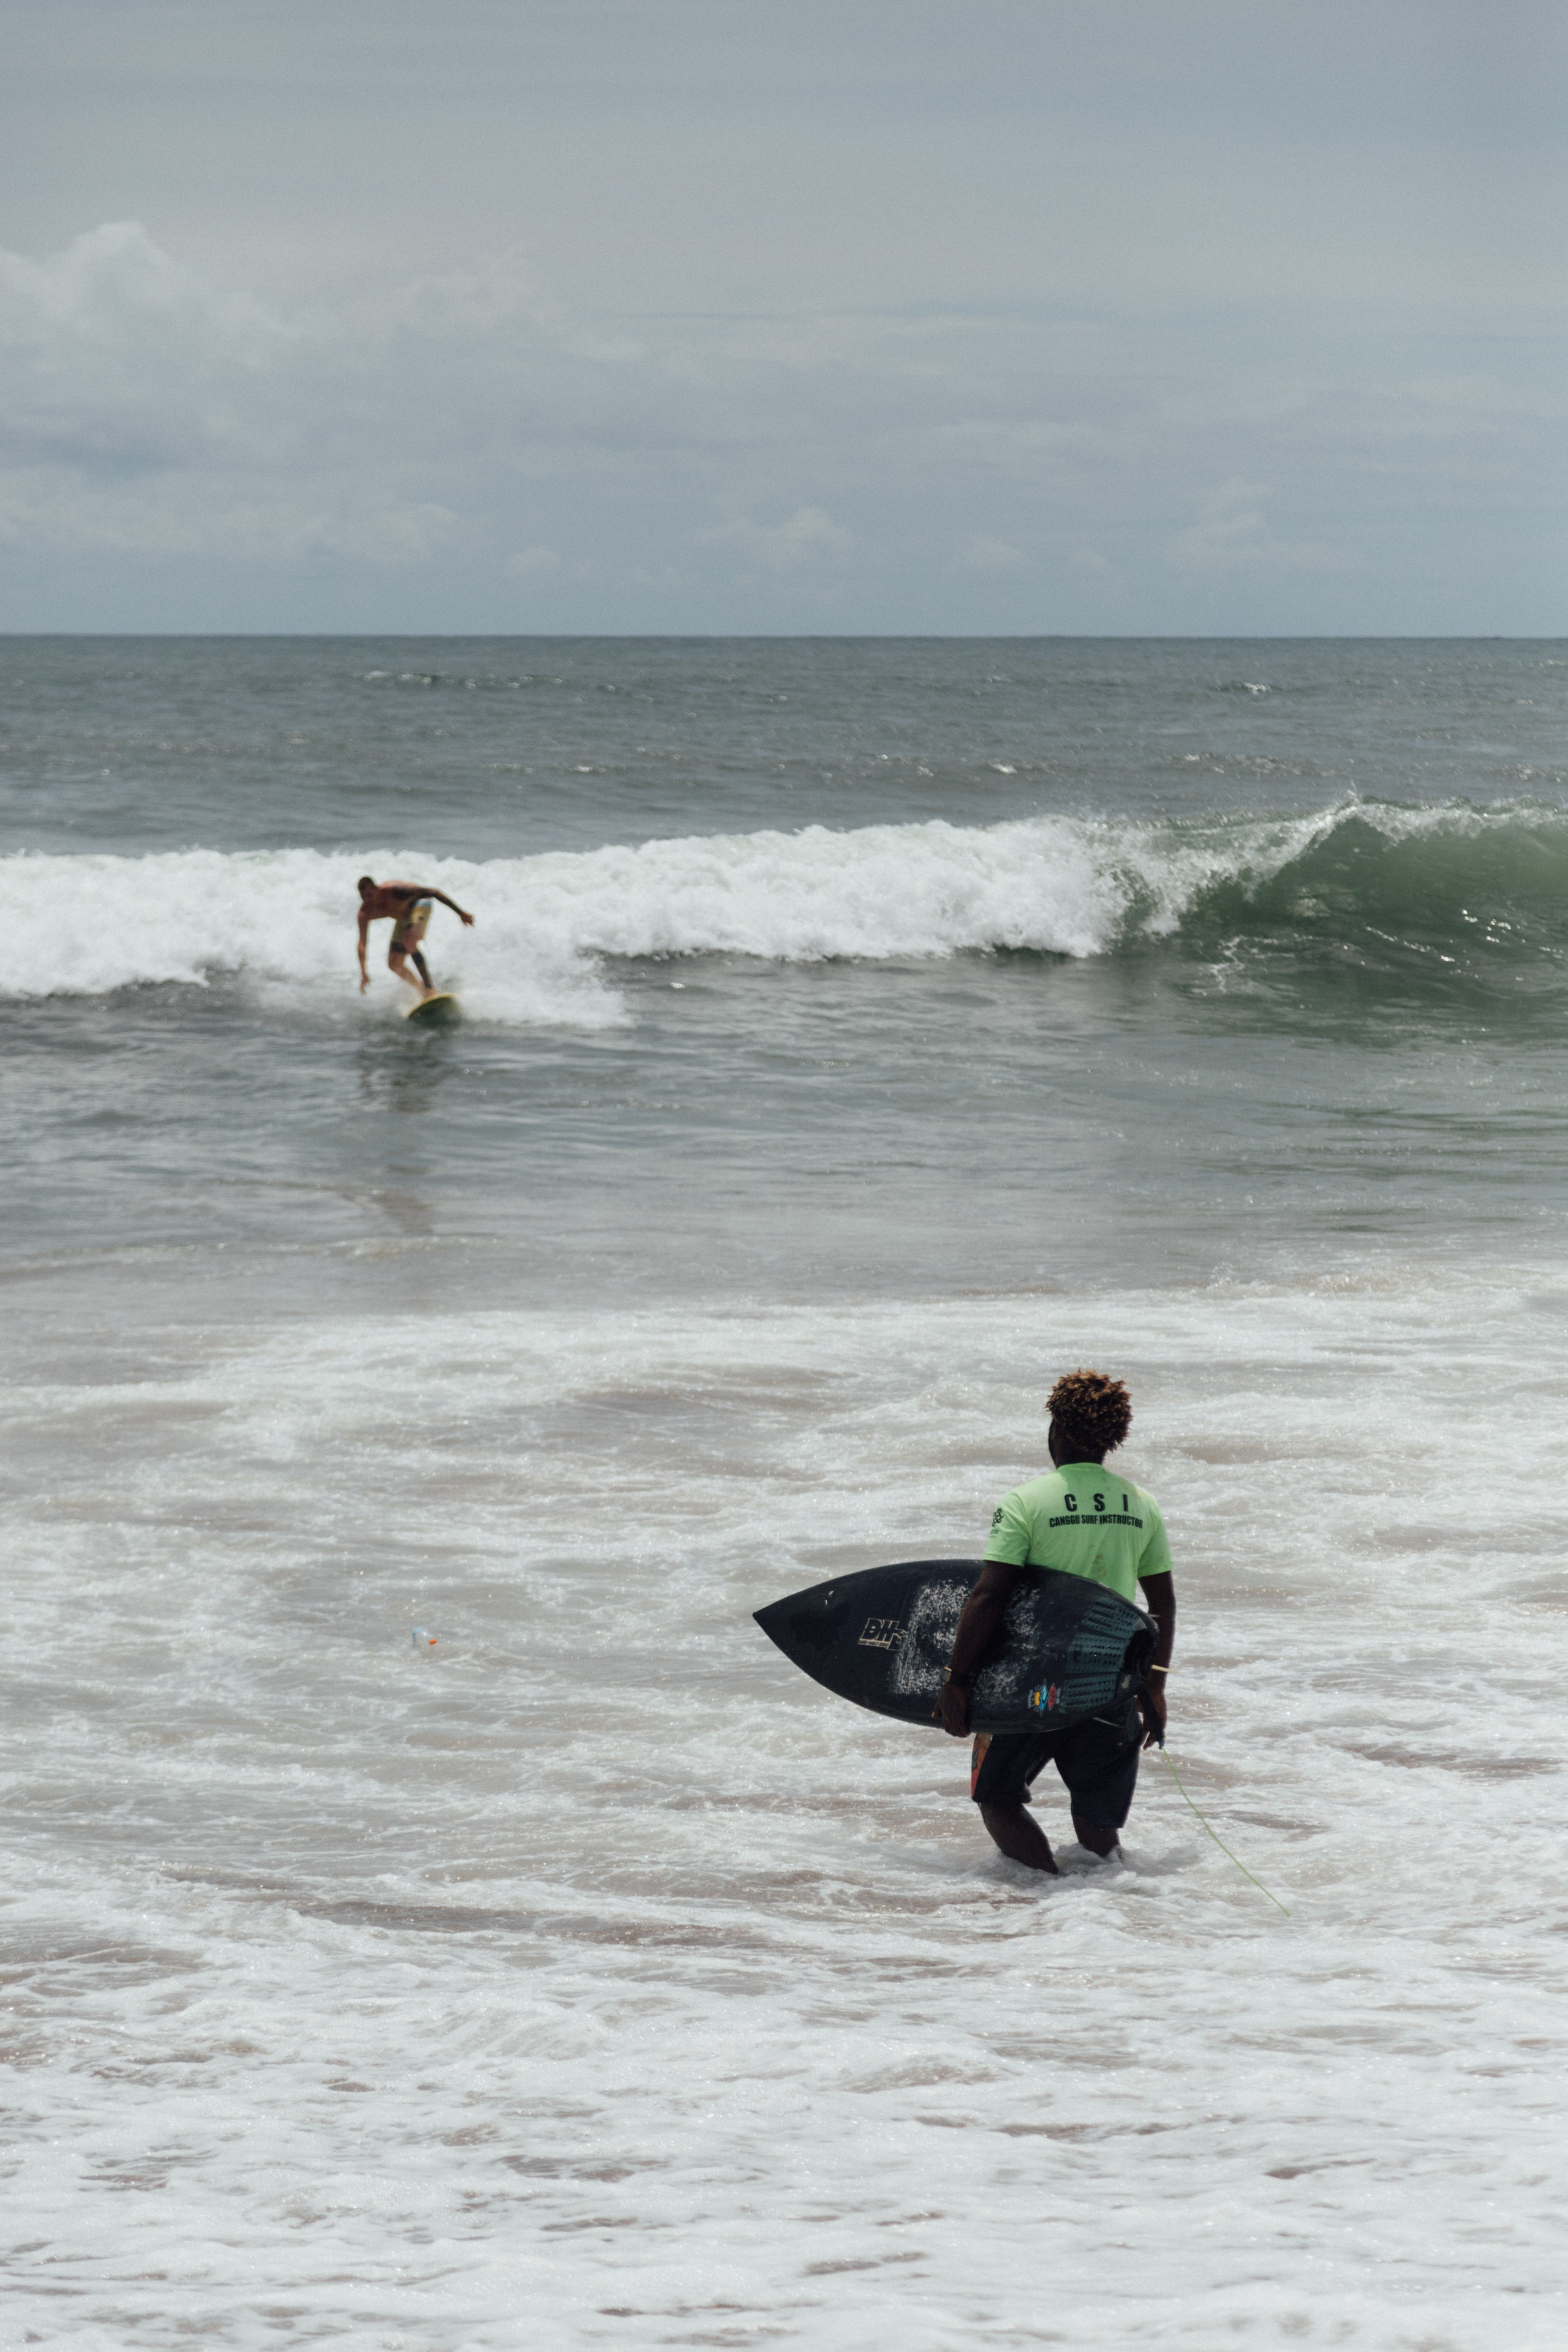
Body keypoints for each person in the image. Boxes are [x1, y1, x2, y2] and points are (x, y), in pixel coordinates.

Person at [934, 1368, 1175, 1875]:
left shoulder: (1024, 1503)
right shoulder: (1142, 1505)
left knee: (997, 1796)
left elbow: (989, 1597)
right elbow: (1162, 1606)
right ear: (1111, 1437)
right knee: (1098, 1821)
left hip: (1031, 1685)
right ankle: (1107, 1908)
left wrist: (956, 1680)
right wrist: (1153, 1685)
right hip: (1109, 1683)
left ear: (1058, 1428)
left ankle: (1044, 1896)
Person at [355, 876, 475, 1000]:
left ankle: (430, 989)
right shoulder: (365, 913)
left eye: (370, 895)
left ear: (377, 889)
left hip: (420, 903)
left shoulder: (396, 891)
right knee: (394, 964)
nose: (368, 900)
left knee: (410, 943)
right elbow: (362, 943)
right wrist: (363, 972)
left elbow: (434, 892)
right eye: (364, 897)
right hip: (404, 917)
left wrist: (461, 913)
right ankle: (422, 991)